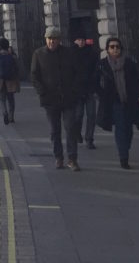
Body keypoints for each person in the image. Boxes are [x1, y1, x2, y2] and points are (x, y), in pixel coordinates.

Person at [30, 26, 81, 171]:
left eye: (55, 39)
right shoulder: (38, 54)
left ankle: (72, 159)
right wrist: (42, 92)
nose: (52, 41)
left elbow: (77, 73)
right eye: (49, 39)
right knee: (55, 130)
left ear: (59, 40)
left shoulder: (68, 53)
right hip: (50, 100)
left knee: (70, 128)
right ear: (46, 39)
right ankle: (58, 157)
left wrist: (74, 90)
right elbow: (34, 76)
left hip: (68, 98)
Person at [96, 36, 139, 169]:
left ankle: (125, 147)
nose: (115, 49)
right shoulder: (102, 64)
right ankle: (123, 157)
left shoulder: (129, 63)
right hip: (113, 101)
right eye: (112, 47)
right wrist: (101, 95)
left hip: (129, 99)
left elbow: (138, 81)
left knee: (129, 129)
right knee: (120, 128)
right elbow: (96, 82)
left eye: (117, 47)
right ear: (107, 49)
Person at [72, 31, 98, 149]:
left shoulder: (91, 53)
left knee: (92, 115)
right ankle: (77, 133)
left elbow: (96, 70)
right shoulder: (71, 53)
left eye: (82, 39)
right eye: (79, 40)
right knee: (78, 115)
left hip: (89, 89)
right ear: (75, 41)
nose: (81, 42)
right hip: (77, 90)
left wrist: (94, 84)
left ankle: (89, 139)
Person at [0, 37, 20, 124]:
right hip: (10, 81)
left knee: (2, 99)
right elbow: (17, 68)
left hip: (0, 81)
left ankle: (4, 113)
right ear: (8, 46)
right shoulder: (13, 57)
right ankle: (11, 117)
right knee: (11, 100)